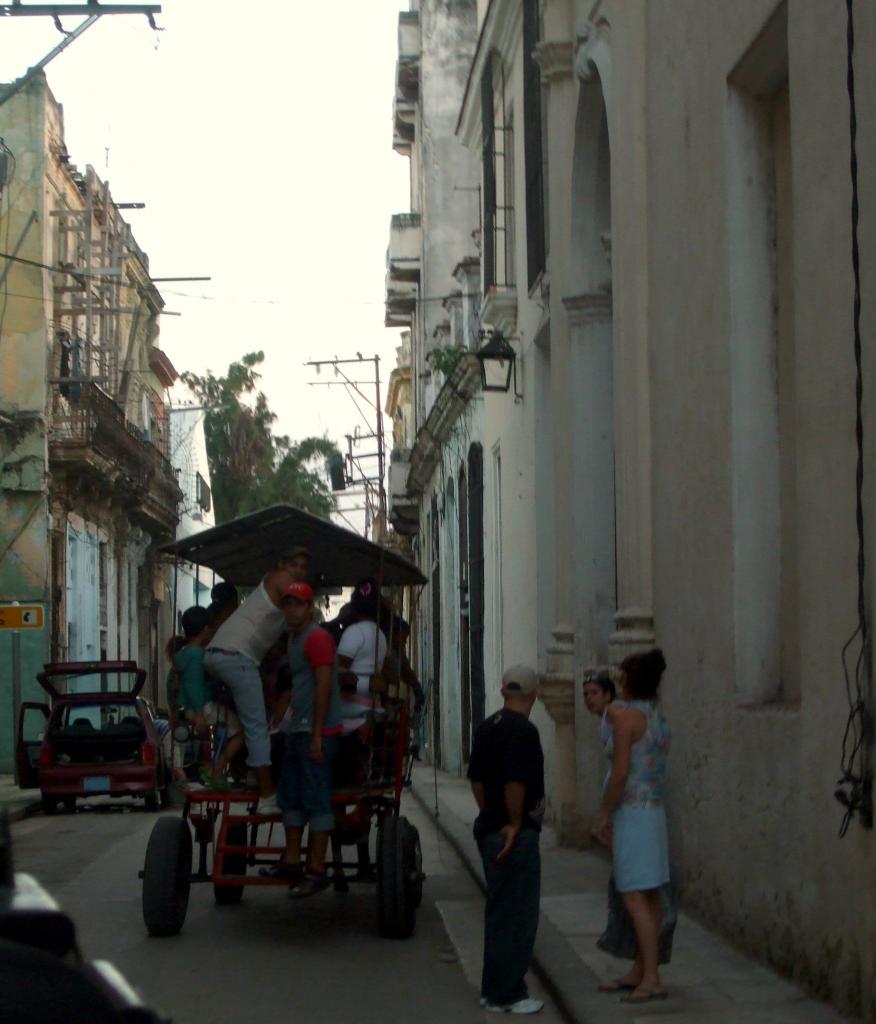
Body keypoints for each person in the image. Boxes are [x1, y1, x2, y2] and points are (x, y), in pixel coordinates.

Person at [204, 548, 310, 814]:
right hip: (238, 657)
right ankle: (266, 796)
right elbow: (301, 610)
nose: (298, 571)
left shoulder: (271, 588)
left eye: (303, 567)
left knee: (251, 718)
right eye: (293, 564)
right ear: (282, 564)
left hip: (219, 653)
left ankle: (239, 772)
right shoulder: (281, 580)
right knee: (257, 727)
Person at [467, 665, 545, 1016]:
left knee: (499, 913)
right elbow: (516, 780)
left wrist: (490, 815)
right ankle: (509, 993)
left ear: (502, 692)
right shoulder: (524, 732)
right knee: (517, 915)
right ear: (534, 695)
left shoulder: (487, 727)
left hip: (490, 830)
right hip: (515, 837)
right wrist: (512, 822)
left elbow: (478, 781)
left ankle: (493, 990)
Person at [595, 648, 671, 1004]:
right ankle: (642, 968)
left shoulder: (627, 719)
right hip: (654, 811)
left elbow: (621, 772)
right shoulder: (656, 716)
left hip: (632, 813)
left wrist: (604, 814)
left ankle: (651, 976)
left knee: (632, 894)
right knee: (651, 893)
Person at [269, 581, 341, 897]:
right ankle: (292, 859)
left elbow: (324, 686)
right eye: (287, 603)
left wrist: (316, 733)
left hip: (317, 732)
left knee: (316, 798)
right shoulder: (295, 639)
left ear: (309, 607)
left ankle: (316, 869)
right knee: (291, 795)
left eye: (297, 603)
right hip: (296, 730)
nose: (291, 609)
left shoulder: (317, 639)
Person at [172, 606, 245, 788]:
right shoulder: (197, 655)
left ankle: (214, 768)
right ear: (205, 629)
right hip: (202, 706)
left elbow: (173, 684)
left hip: (189, 707)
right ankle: (216, 768)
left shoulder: (183, 654)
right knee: (241, 731)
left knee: (225, 731)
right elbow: (194, 685)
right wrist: (198, 714)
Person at [582, 669, 618, 746]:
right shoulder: (606, 717)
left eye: (594, 693)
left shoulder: (613, 711)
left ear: (607, 695)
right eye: (586, 694)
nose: (588, 698)